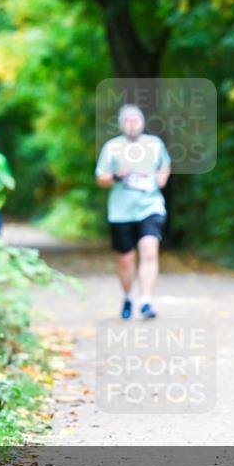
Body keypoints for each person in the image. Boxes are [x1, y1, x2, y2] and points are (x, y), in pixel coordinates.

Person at [95, 104, 171, 319]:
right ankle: (128, 296)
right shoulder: (112, 147)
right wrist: (117, 176)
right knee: (125, 260)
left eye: (135, 120)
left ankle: (146, 300)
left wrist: (162, 177)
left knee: (149, 250)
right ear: (121, 125)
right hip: (121, 212)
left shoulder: (155, 144)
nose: (131, 124)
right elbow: (100, 178)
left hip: (150, 206)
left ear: (142, 123)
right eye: (127, 121)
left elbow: (165, 165)